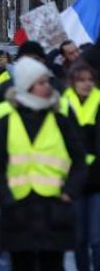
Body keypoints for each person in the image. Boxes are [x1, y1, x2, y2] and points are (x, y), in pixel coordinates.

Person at [0, 57, 87, 271]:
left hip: (54, 210)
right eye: (41, 83)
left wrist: (69, 192)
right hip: (17, 211)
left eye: (47, 82)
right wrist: (5, 198)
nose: (48, 87)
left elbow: (79, 161)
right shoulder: (7, 121)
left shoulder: (60, 121)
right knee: (22, 264)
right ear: (27, 87)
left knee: (53, 265)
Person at [61, 61, 100, 271]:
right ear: (72, 82)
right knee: (79, 240)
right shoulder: (62, 105)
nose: (86, 84)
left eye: (90, 80)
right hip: (72, 181)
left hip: (97, 181)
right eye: (81, 80)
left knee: (97, 239)